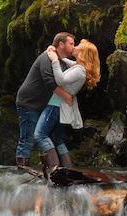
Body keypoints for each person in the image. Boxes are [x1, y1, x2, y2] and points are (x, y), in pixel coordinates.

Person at [33, 39, 101, 178]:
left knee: (40, 135)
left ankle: (56, 170)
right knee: (57, 140)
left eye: (78, 46)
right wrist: (54, 53)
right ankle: (68, 170)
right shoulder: (80, 67)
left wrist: (53, 60)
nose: (74, 47)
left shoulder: (80, 70)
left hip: (57, 104)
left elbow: (60, 80)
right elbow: (65, 61)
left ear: (83, 53)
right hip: (63, 106)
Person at [14, 33, 75, 169]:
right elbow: (49, 82)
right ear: (60, 44)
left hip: (43, 104)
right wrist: (66, 96)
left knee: (47, 136)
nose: (73, 46)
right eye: (71, 43)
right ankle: (21, 170)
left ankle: (56, 169)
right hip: (28, 102)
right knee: (28, 137)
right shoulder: (46, 58)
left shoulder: (62, 61)